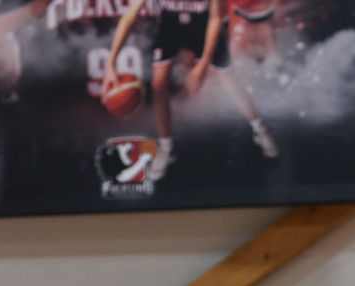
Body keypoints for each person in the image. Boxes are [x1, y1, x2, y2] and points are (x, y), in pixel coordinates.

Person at [103, 0, 279, 183]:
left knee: (229, 79)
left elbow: (215, 18)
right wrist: (111, 62)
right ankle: (166, 147)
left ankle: (260, 129)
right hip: (171, 26)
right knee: (158, 86)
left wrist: (203, 64)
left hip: (203, 26)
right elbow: (130, 16)